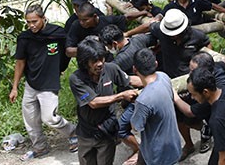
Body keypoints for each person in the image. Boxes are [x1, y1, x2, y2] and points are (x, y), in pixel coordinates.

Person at [9, 4, 76, 160]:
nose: (31, 25)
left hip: (49, 82)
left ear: (43, 18)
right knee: (30, 120)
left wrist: (61, 68)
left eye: (35, 21)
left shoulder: (57, 34)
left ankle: (73, 132)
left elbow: (68, 51)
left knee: (49, 118)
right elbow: (20, 62)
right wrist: (14, 87)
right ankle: (40, 147)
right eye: (28, 22)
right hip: (31, 83)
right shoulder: (25, 38)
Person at [148, 9, 211, 157]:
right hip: (172, 84)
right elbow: (151, 25)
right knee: (178, 119)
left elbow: (207, 44)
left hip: (192, 84)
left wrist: (202, 67)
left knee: (196, 114)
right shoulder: (161, 32)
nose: (175, 35)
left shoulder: (196, 35)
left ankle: (205, 130)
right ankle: (188, 145)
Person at [69, 37, 138, 165]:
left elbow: (131, 80)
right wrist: (121, 96)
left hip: (106, 131)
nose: (100, 63)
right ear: (85, 62)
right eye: (95, 61)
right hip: (86, 133)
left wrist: (154, 80)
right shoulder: (76, 79)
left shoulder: (111, 68)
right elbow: (93, 103)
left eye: (102, 59)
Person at [99, 25, 153, 162]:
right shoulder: (139, 40)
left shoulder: (120, 61)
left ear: (114, 44)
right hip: (151, 86)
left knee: (121, 128)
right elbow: (153, 39)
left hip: (139, 94)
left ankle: (140, 151)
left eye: (107, 46)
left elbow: (109, 75)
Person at [130, 48, 183, 165]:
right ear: (156, 63)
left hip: (158, 156)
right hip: (173, 145)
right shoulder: (163, 77)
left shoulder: (143, 100)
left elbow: (135, 127)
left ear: (135, 69)